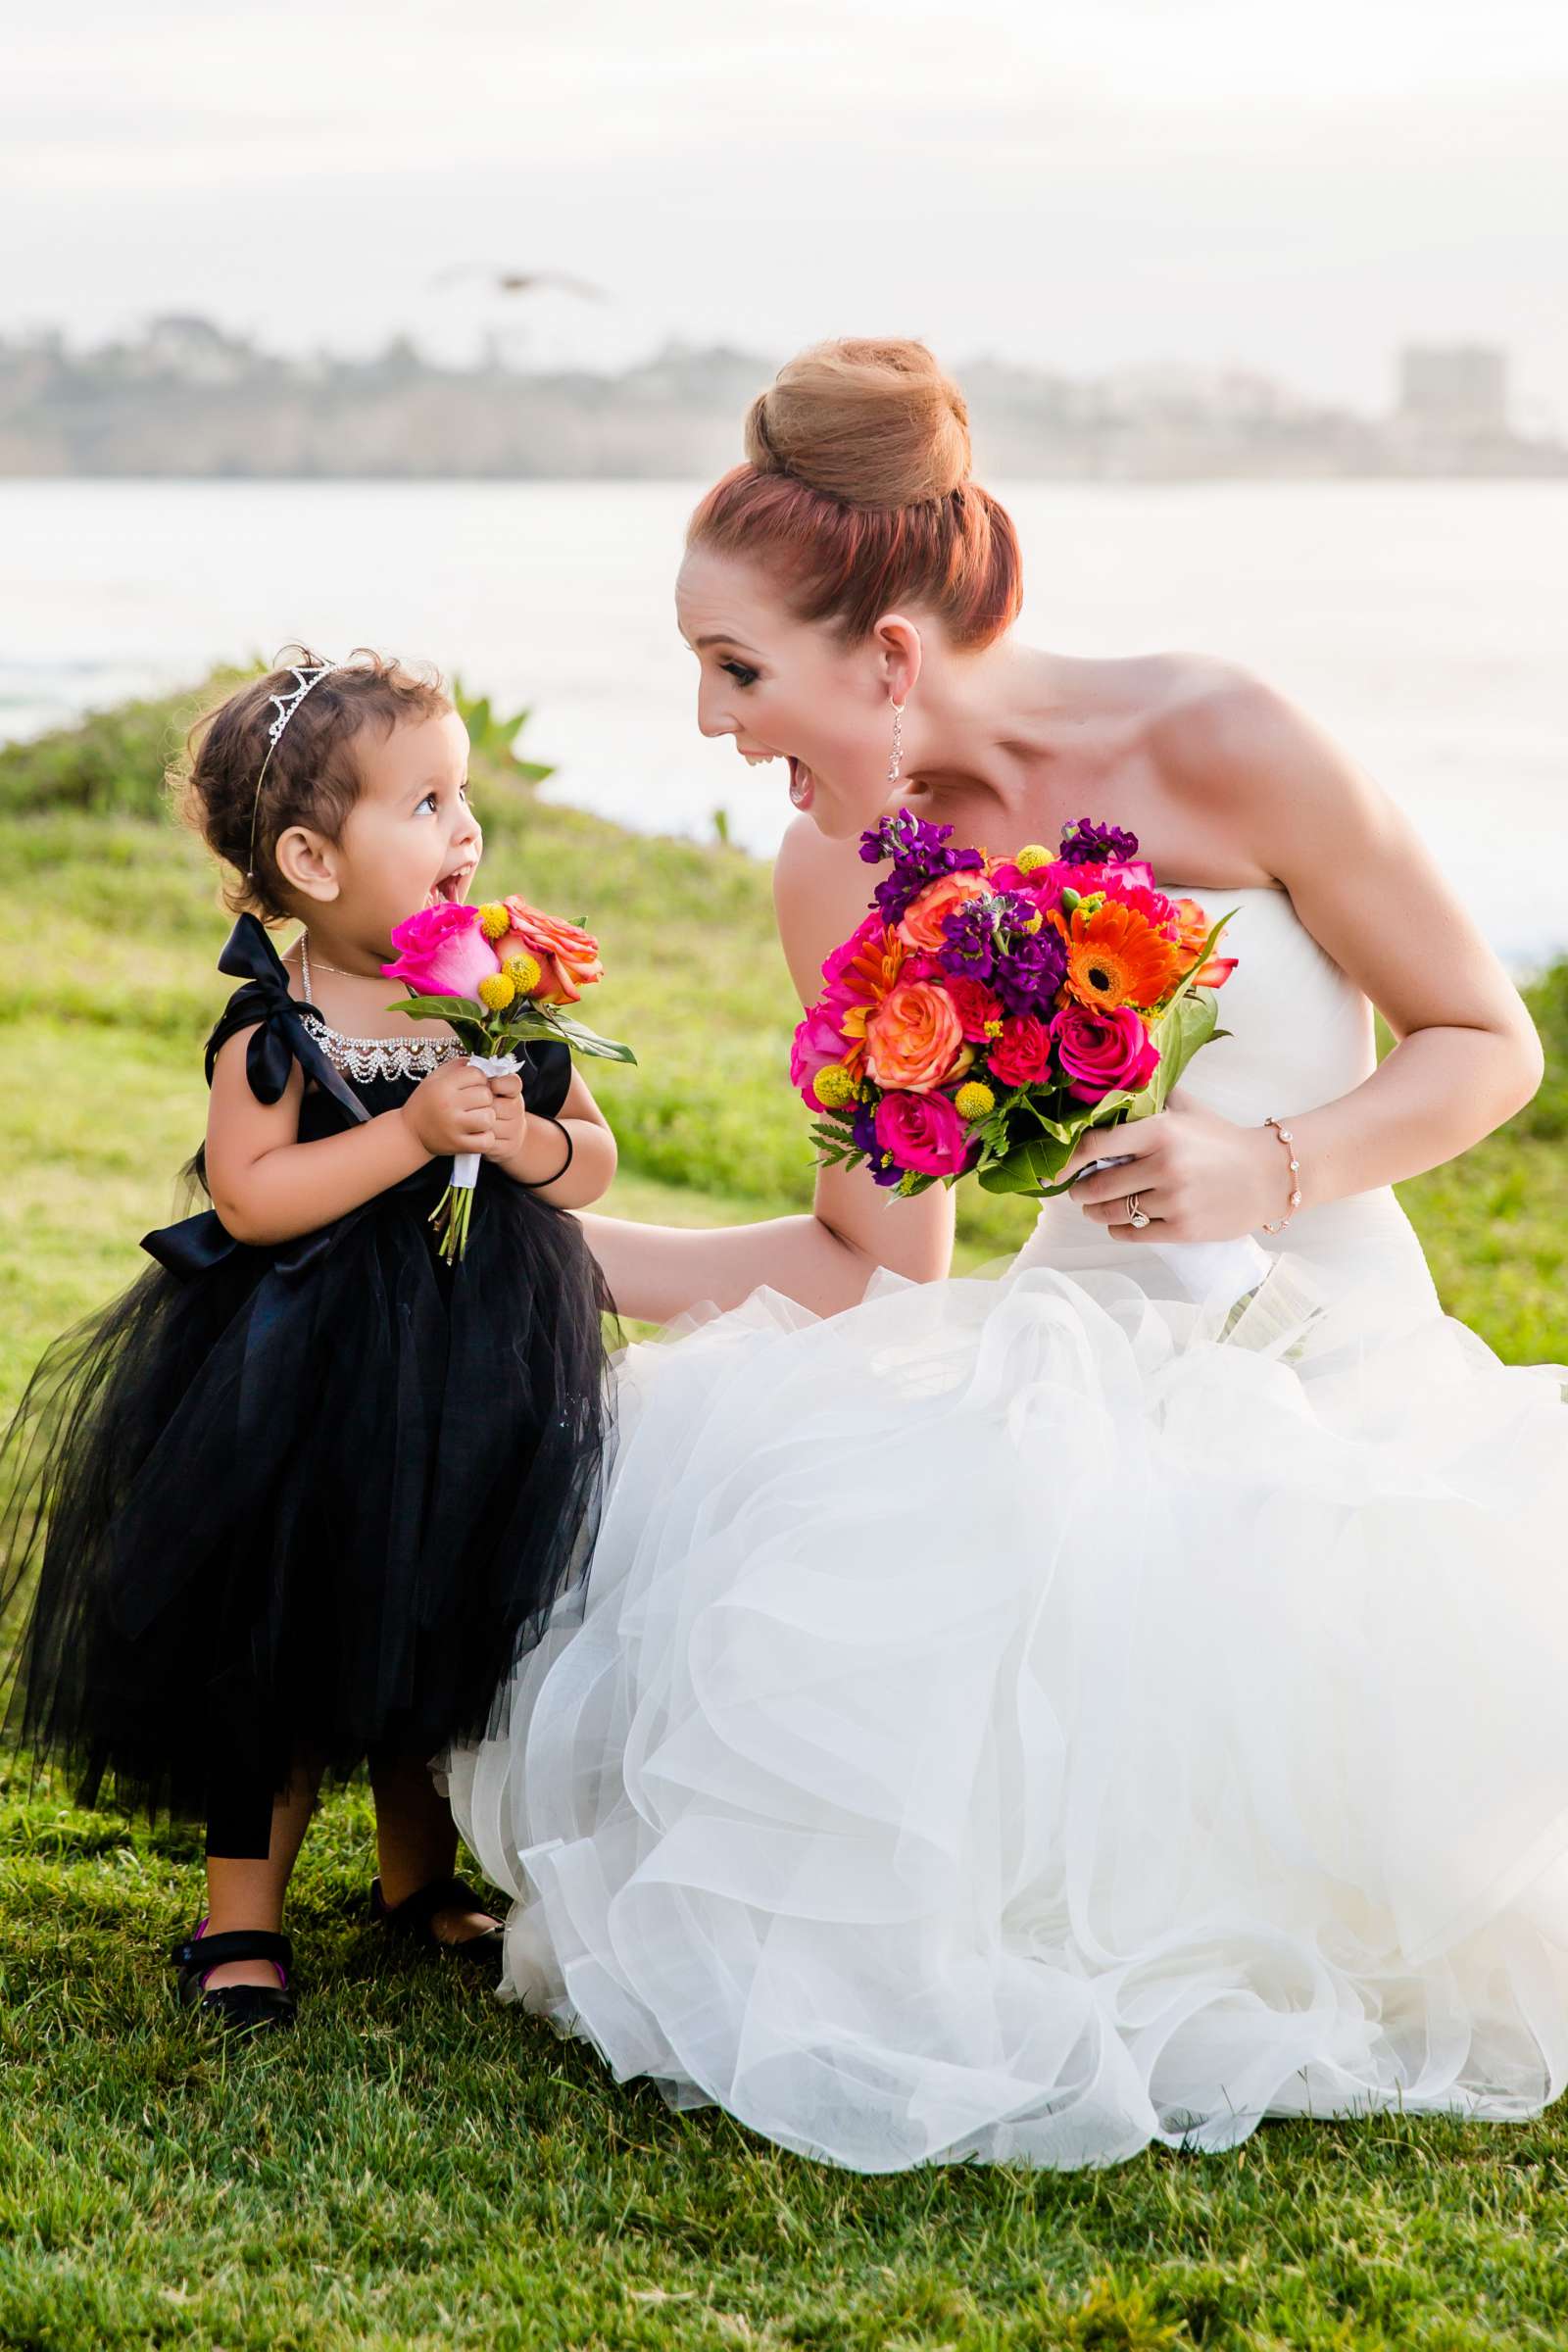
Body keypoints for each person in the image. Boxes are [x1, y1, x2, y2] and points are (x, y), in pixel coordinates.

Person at [449, 339, 1568, 2171]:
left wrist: (1264, 1166)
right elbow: (867, 1269)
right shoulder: (840, 878)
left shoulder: (1222, 734)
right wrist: (562, 1253)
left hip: (1326, 1355)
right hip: (1072, 1364)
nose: (715, 725)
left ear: (887, 657)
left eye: (737, 671)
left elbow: (1485, 1041)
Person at [0, 649, 617, 2033]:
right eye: (425, 802)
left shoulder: (494, 1001)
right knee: (281, 1636)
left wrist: (526, 1135)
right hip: (301, 1378)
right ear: (310, 859)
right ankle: (241, 1914)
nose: (465, 830)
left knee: (442, 1611)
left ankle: (419, 1876)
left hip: (473, 1371)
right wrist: (408, 1133)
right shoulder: (277, 1027)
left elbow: (592, 1168)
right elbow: (252, 1193)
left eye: (465, 796)